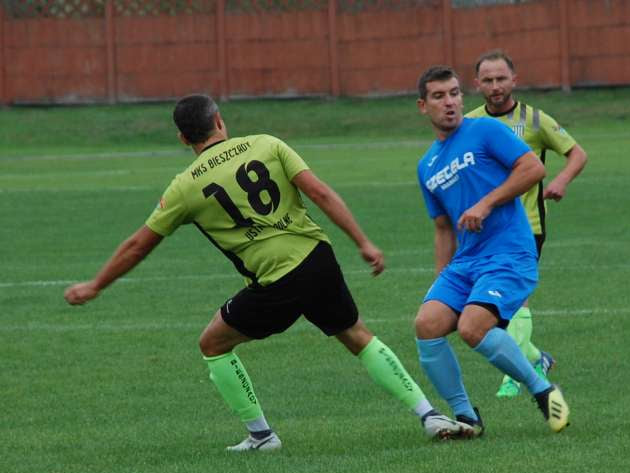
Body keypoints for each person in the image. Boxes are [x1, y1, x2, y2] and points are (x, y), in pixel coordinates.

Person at [64, 93, 466, 451]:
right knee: (357, 335)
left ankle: (261, 435)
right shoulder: (267, 143)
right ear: (220, 120)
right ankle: (429, 414)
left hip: (275, 282)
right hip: (318, 258)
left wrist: (97, 285)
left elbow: (138, 244)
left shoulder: (185, 187)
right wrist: (363, 241)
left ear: (183, 139)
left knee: (213, 344)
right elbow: (320, 192)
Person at [413, 66, 571, 437]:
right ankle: (467, 416)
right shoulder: (426, 166)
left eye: (454, 93)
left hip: (509, 252)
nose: (449, 102)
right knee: (427, 324)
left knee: (471, 327)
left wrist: (485, 204)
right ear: (424, 106)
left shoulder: (484, 130)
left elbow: (532, 169)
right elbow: (442, 228)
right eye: (439, 96)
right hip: (465, 262)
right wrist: (441, 281)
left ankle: (543, 391)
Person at [466, 50, 589, 398]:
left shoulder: (535, 121)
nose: (495, 86)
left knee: (516, 302)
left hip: (526, 228)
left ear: (514, 80)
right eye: (487, 80)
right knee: (490, 307)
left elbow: (577, 153)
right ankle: (537, 359)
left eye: (501, 79)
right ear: (477, 84)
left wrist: (562, 180)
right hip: (484, 230)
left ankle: (513, 375)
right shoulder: (471, 123)